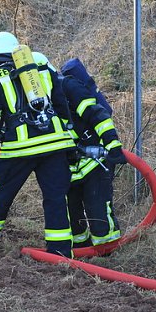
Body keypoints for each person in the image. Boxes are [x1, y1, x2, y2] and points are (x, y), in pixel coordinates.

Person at [0, 31, 76, 258]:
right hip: (55, 145)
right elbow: (60, 104)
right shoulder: (42, 69)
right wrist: (69, 139)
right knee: (56, 198)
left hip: (19, 149)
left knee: (1, 193)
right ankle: (61, 252)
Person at [57, 57, 128, 248]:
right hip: (70, 167)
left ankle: (107, 251)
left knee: (97, 211)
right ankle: (80, 248)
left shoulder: (69, 89)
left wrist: (113, 145)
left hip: (96, 162)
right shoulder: (39, 100)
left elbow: (98, 115)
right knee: (72, 213)